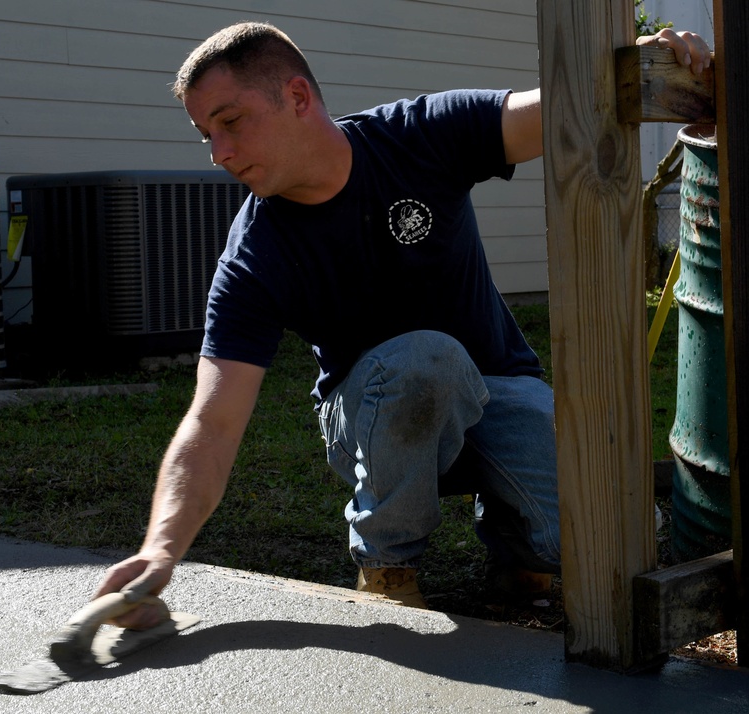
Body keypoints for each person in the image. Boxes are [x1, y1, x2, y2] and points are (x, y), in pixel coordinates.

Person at [95, 22, 713, 627]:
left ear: (298, 97)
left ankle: (516, 544)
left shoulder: (418, 137)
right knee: (425, 359)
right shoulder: (255, 257)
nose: (219, 153)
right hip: (371, 411)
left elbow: (562, 110)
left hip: (499, 385)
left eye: (230, 123)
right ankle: (388, 565)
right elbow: (211, 421)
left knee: (617, 535)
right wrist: (159, 551)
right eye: (207, 134)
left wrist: (648, 65)